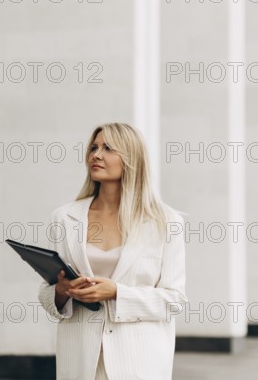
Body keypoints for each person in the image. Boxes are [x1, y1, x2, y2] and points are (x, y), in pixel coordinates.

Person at [38, 122, 189, 380]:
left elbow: (174, 301)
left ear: (131, 159)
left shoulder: (165, 222)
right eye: (94, 147)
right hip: (81, 359)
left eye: (108, 148)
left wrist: (117, 292)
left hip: (139, 362)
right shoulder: (65, 218)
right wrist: (61, 292)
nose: (96, 155)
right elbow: (46, 294)